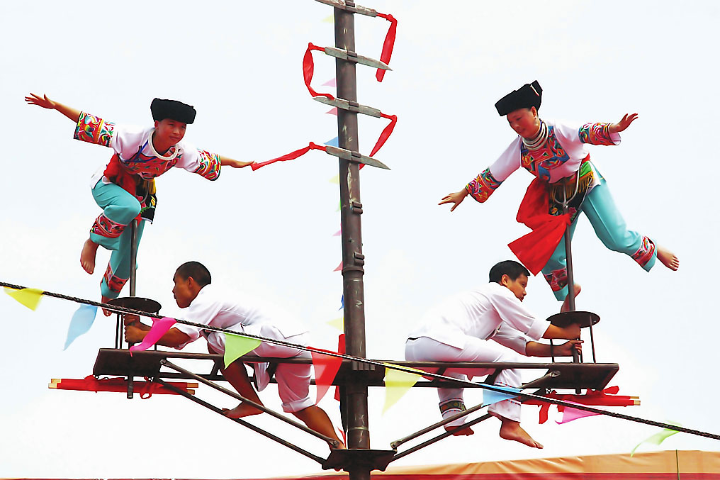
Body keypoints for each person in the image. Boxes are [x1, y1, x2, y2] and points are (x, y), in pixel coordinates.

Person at [439, 81, 678, 303]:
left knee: (614, 238)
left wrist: (614, 127)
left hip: (586, 182)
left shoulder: (559, 129)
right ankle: (567, 293)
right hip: (558, 195)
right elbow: (494, 172)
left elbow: (585, 132)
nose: (515, 126)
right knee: (550, 252)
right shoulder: (519, 149)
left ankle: (654, 248)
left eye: (518, 118)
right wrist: (464, 192)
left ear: (534, 111)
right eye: (510, 122)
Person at [25, 94, 253, 311]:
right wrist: (55, 106)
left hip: (142, 194)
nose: (177, 132)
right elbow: (94, 123)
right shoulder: (133, 137)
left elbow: (210, 159)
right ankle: (93, 241)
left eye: (182, 127)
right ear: (157, 123)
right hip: (110, 185)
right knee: (128, 206)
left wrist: (237, 163)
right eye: (171, 125)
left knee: (129, 254)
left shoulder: (180, 152)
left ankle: (108, 294)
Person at [123, 261, 345, 450]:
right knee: (299, 405)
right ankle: (339, 446)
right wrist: (142, 331)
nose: (173, 290)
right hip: (295, 342)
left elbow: (180, 337)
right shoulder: (210, 306)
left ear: (190, 282)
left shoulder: (207, 298)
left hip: (277, 337)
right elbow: (181, 336)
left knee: (215, 344)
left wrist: (141, 335)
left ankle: (250, 401)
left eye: (175, 283)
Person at [405, 260, 583, 449]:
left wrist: (558, 350)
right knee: (508, 361)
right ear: (505, 280)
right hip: (438, 340)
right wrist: (566, 332)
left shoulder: (490, 310)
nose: (525, 292)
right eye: (522, 284)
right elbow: (531, 325)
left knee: (454, 371)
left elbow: (524, 346)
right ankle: (510, 423)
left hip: (416, 350)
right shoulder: (497, 292)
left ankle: (453, 420)